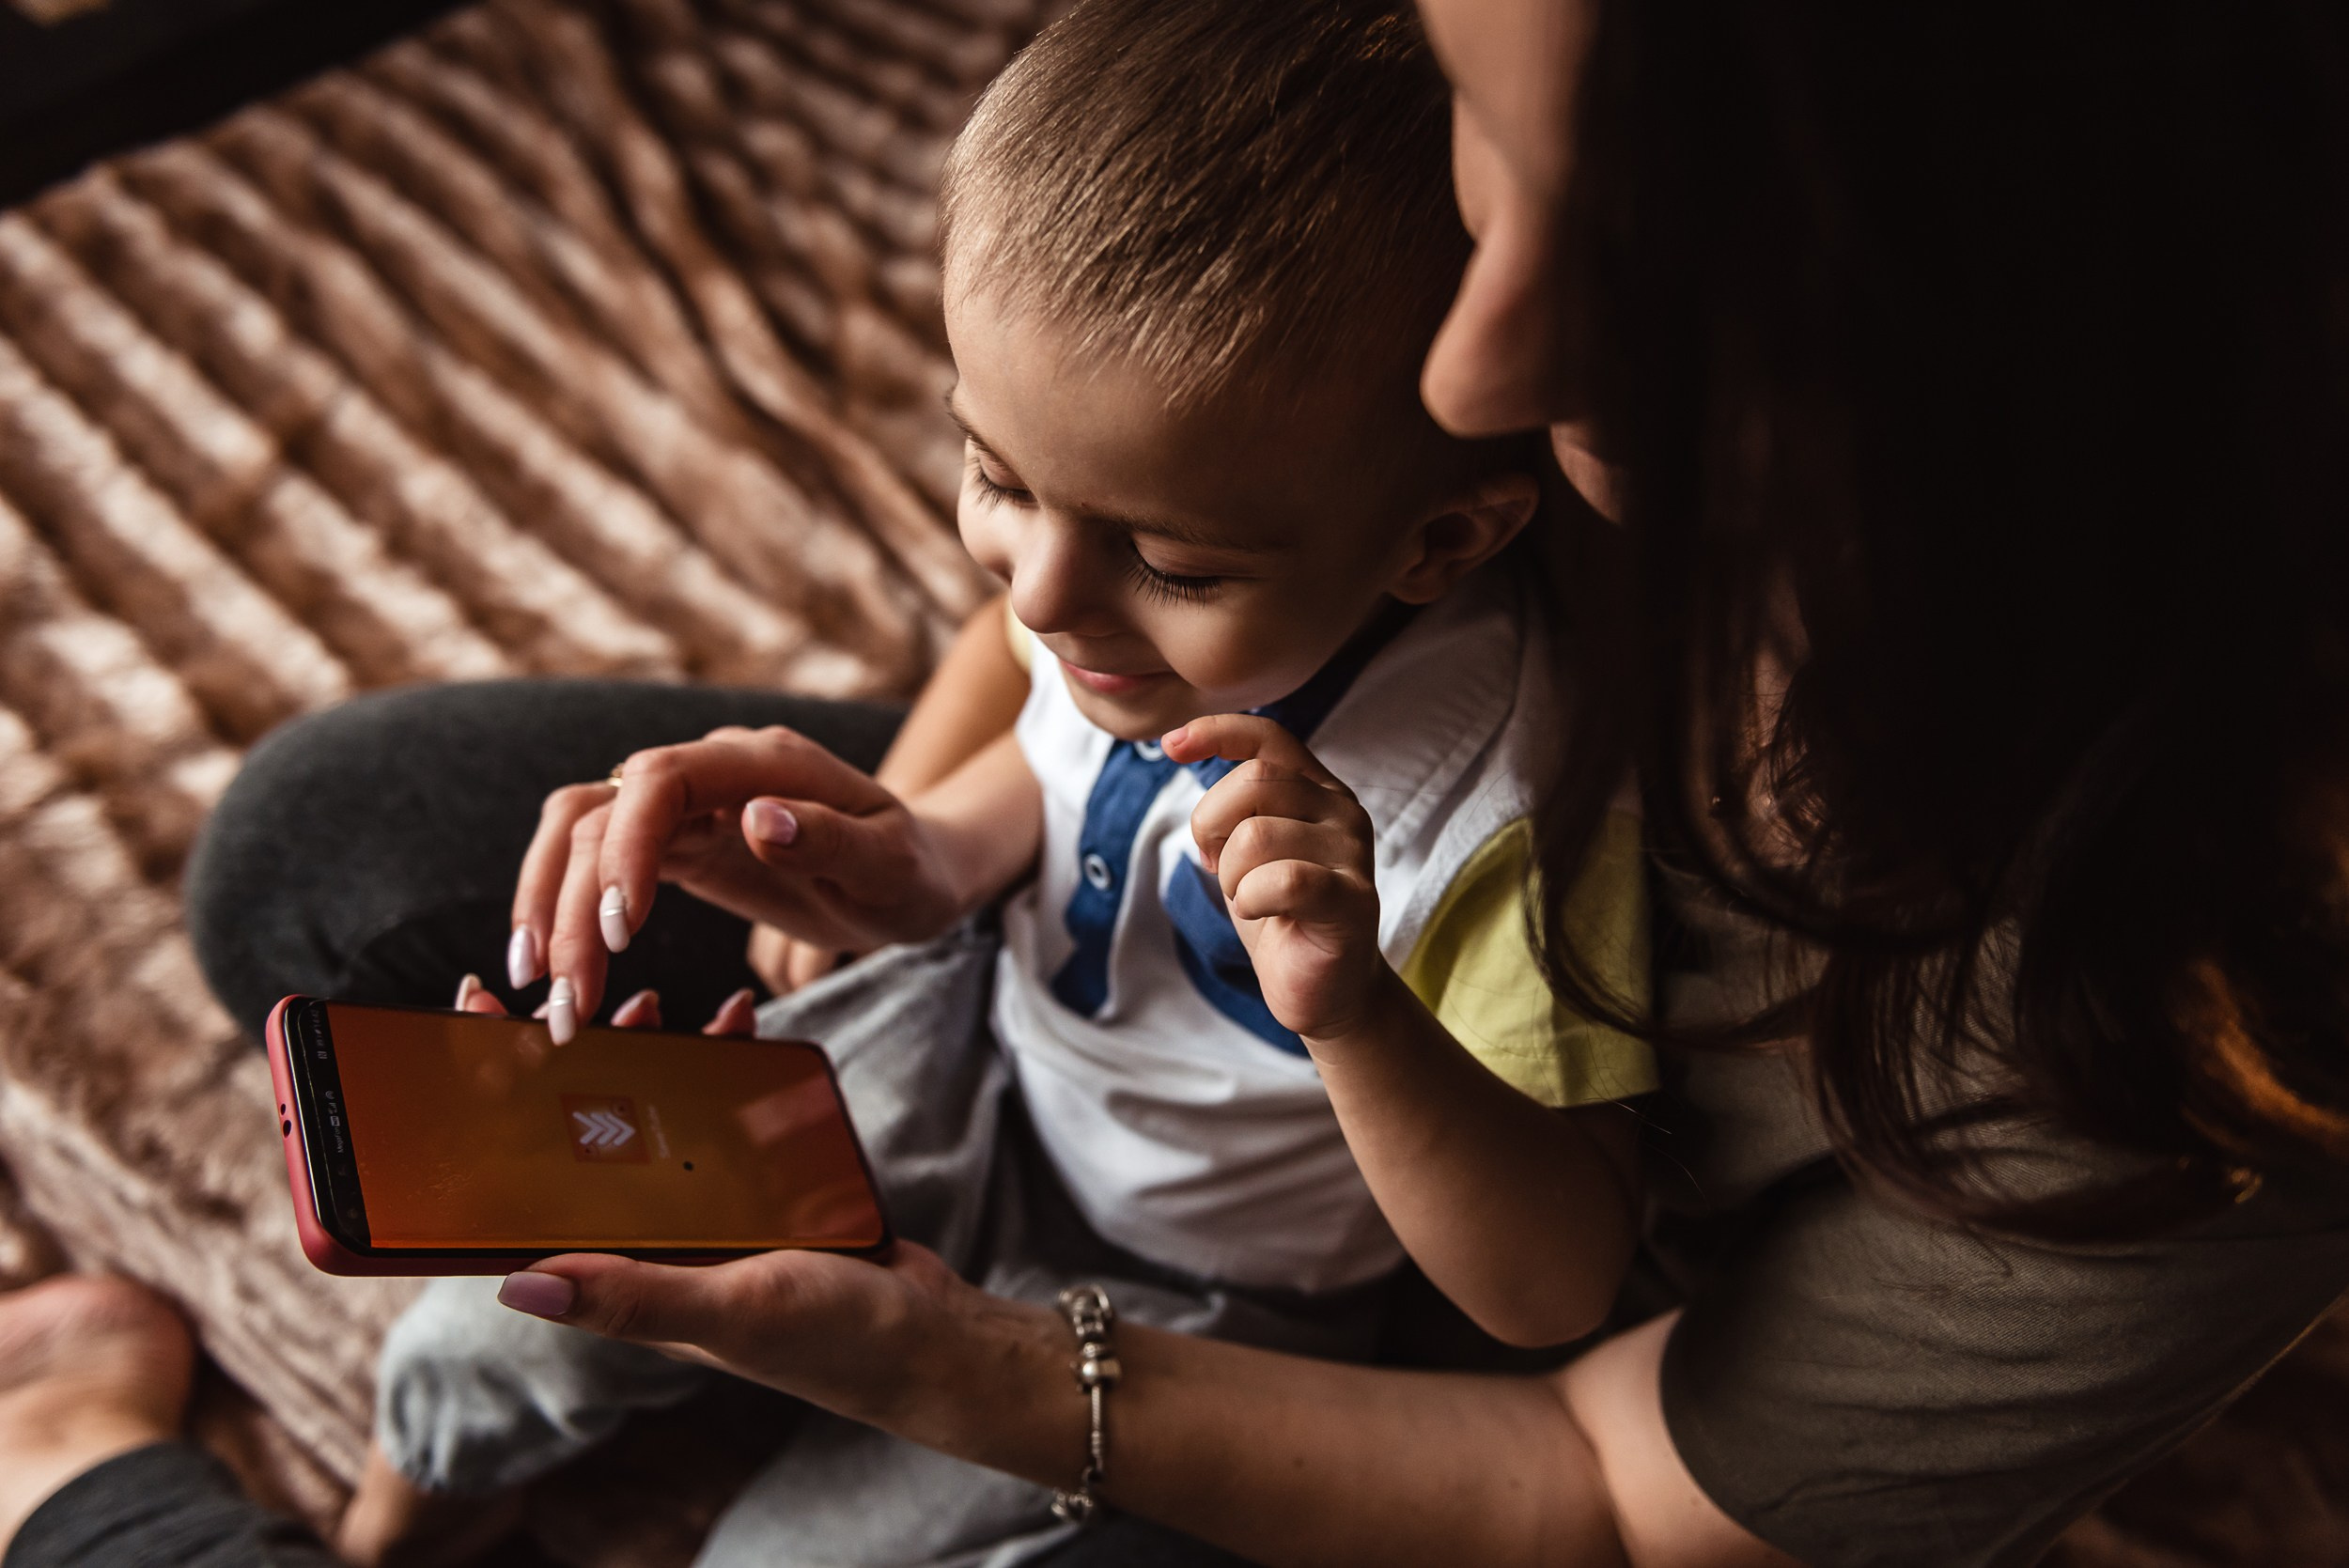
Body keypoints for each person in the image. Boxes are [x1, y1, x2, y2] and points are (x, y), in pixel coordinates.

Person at [7, 1, 2347, 1566]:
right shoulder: (1338, 449)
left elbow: (1561, 1369)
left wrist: (1005, 1347)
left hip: (1299, 1286)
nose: (1485, 351)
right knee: (332, 889)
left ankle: (96, 1490)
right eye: (982, 483)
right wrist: (869, 849)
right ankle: (402, 1468)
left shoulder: (1486, 814)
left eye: (1630, 227)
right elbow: (1043, 677)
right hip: (998, 1050)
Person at [337, 2, 1653, 1561]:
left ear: (1441, 541)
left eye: (1164, 560)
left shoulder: (1498, 807)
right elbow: (1045, 784)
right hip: (964, 1054)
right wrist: (905, 858)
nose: (1035, 596)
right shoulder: (1127, 597)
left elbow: (1552, 1286)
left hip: (1211, 1292)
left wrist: (1357, 1010)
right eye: (994, 477)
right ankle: (383, 1523)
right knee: (501, 1318)